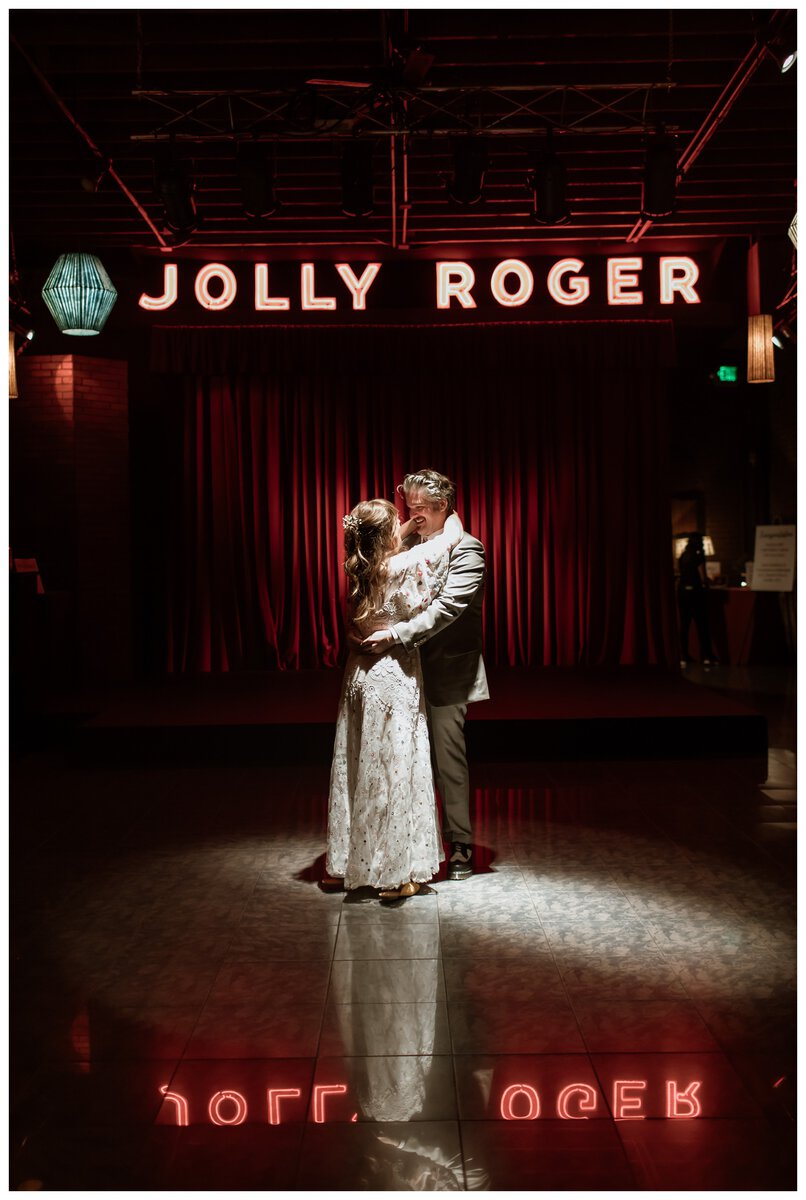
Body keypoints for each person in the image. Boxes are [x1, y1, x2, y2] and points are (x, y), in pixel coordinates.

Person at [326, 498, 464, 901]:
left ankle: (348, 862)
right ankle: (395, 870)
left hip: (358, 671)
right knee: (396, 763)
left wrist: (398, 530)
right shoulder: (400, 565)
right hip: (392, 673)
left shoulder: (359, 566)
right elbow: (448, 540)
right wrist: (447, 513)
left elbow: (384, 542)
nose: (406, 523)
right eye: (398, 522)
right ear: (386, 535)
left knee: (358, 760)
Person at [362, 469, 488, 881]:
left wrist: (396, 635)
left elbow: (448, 608)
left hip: (445, 669)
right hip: (400, 671)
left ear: (443, 507)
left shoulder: (469, 550)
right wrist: (399, 532)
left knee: (447, 758)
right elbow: (374, 574)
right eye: (409, 506)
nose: (413, 514)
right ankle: (407, 844)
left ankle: (461, 843)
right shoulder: (408, 542)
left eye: (420, 508)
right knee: (401, 759)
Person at [677, 532, 716, 666]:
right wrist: (708, 582)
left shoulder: (682, 556)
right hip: (695, 592)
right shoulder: (698, 556)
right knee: (702, 625)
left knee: (684, 625)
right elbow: (703, 577)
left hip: (682, 592)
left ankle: (683, 655)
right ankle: (706, 655)